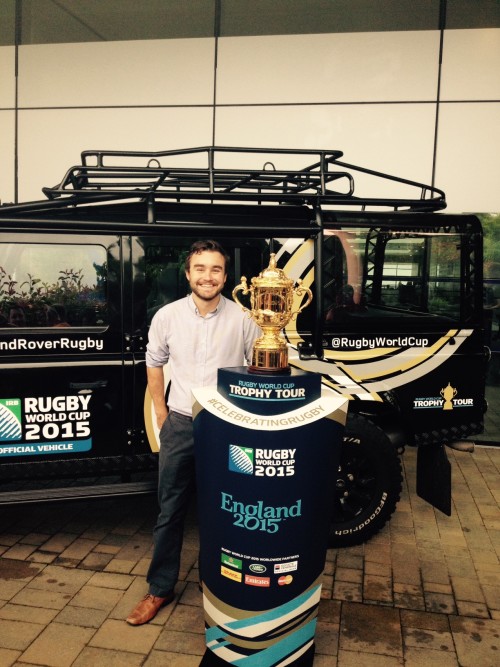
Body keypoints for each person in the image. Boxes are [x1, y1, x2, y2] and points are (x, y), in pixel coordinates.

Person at [126, 240, 260, 626]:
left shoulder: (244, 320)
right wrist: (163, 415)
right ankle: (160, 588)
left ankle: (220, 585)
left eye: (215, 269)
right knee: (170, 510)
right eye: (200, 268)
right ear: (188, 274)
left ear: (225, 275)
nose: (207, 276)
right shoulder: (166, 316)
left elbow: (258, 370)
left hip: (227, 428)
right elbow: (154, 365)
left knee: (227, 511)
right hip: (181, 423)